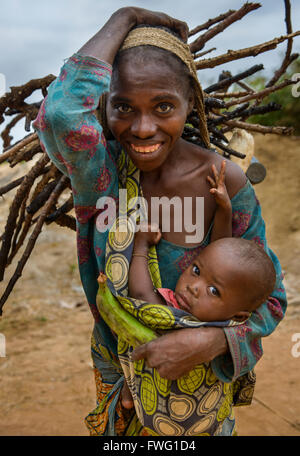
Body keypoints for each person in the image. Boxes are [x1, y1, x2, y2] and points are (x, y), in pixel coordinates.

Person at [33, 6, 287, 436]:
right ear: (105, 106)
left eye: (164, 106)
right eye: (124, 107)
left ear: (191, 102)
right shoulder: (100, 176)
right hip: (122, 369)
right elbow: (61, 115)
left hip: (200, 380)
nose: (143, 128)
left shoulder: (224, 183)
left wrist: (209, 342)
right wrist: (124, 17)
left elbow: (270, 297)